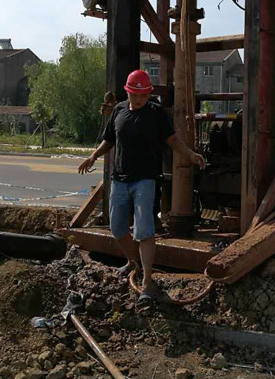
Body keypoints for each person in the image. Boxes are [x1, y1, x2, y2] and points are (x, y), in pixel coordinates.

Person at [78, 70, 205, 304]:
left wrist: (190, 154)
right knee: (117, 228)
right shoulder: (118, 110)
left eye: (143, 96)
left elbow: (173, 140)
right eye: (135, 96)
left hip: (145, 180)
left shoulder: (156, 113)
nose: (138, 100)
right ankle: (133, 262)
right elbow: (109, 139)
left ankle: (147, 282)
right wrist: (93, 156)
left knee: (144, 230)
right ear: (127, 92)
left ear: (148, 94)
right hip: (120, 179)